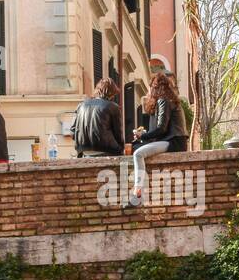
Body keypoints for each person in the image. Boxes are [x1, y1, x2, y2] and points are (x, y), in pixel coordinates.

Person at [126, 71, 187, 209]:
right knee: (138, 150)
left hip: (174, 142)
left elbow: (161, 129)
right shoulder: (167, 100)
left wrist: (143, 136)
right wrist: (145, 134)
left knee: (138, 154)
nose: (148, 91)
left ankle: (137, 194)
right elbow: (161, 129)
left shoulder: (163, 101)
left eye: (150, 87)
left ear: (155, 87)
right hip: (174, 140)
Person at [71, 77, 125, 157]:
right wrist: (121, 149)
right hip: (106, 149)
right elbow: (118, 133)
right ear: (111, 93)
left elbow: (73, 130)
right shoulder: (113, 107)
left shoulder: (81, 105)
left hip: (83, 150)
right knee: (124, 166)